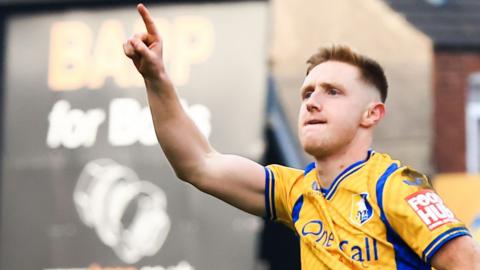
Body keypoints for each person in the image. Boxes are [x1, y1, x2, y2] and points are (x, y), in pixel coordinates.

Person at [124, 3, 480, 269]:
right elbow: (198, 164)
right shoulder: (296, 191)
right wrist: (156, 79)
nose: (312, 102)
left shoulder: (395, 187)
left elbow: (466, 261)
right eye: (307, 93)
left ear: (372, 114)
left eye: (332, 92)